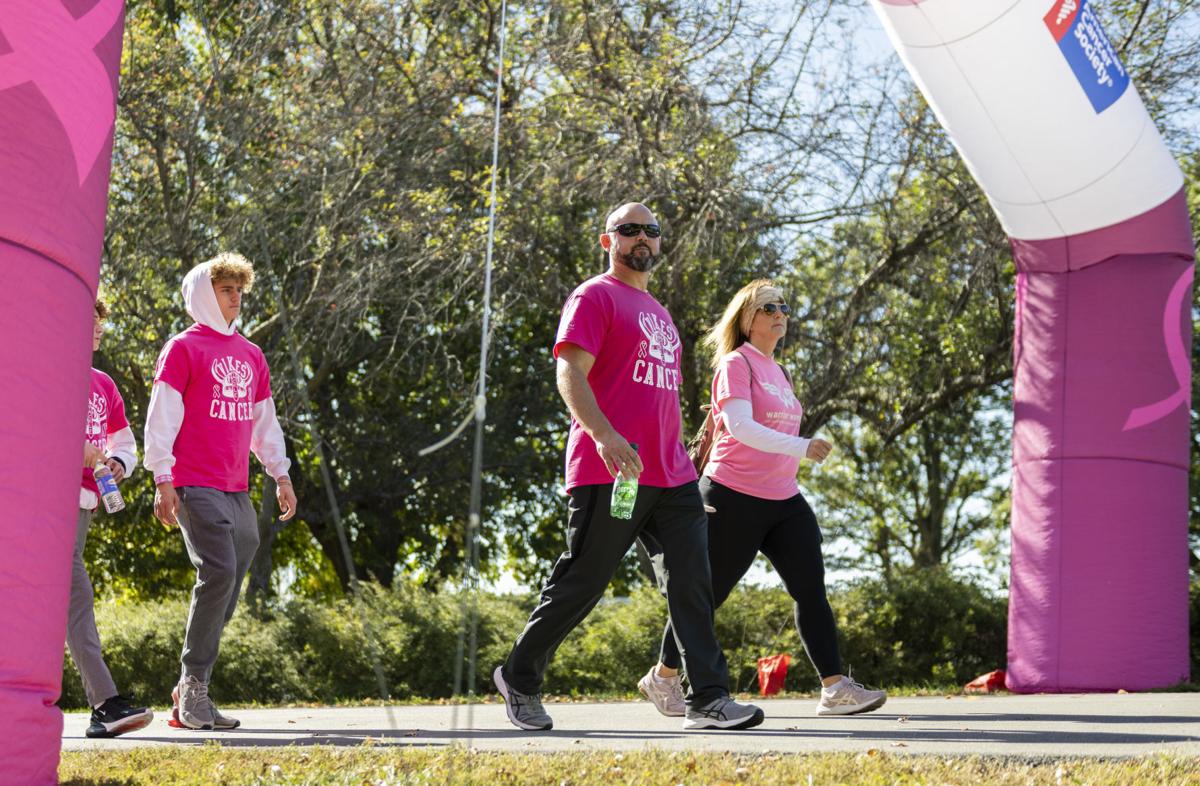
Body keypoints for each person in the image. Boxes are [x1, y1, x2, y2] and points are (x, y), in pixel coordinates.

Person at [493, 203, 763, 732]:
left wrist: (691, 448)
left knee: (693, 581)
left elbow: (655, 396)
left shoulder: (659, 311)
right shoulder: (594, 296)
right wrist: (604, 435)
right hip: (612, 470)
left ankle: (708, 698)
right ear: (607, 240)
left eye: (652, 231)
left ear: (660, 243)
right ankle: (519, 677)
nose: (642, 238)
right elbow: (569, 371)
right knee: (584, 580)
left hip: (673, 475)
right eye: (630, 229)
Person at [637, 279, 887, 718]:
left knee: (810, 588)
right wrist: (803, 446)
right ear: (747, 319)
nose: (779, 313)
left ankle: (835, 687)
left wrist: (796, 451)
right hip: (732, 495)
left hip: (784, 499)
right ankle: (663, 677)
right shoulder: (737, 364)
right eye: (768, 307)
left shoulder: (780, 372)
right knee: (706, 596)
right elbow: (739, 427)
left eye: (783, 306)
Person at [144, 253, 297, 730]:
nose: (235, 299)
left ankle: (192, 684)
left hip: (236, 484)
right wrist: (162, 479)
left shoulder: (251, 354)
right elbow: (161, 416)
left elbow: (263, 423)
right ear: (206, 294)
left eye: (239, 291)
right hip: (192, 479)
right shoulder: (183, 348)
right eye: (227, 290)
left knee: (239, 560)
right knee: (219, 569)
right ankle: (194, 686)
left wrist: (281, 474)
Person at [68, 299, 154, 738]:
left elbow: (124, 439)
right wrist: (72, 446)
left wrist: (120, 461)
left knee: (68, 599)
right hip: (48, 503)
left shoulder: (103, 385)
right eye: (90, 323)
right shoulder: (51, 374)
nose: (98, 330)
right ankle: (105, 703)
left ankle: (104, 705)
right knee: (75, 597)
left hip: (84, 504)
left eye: (100, 324)